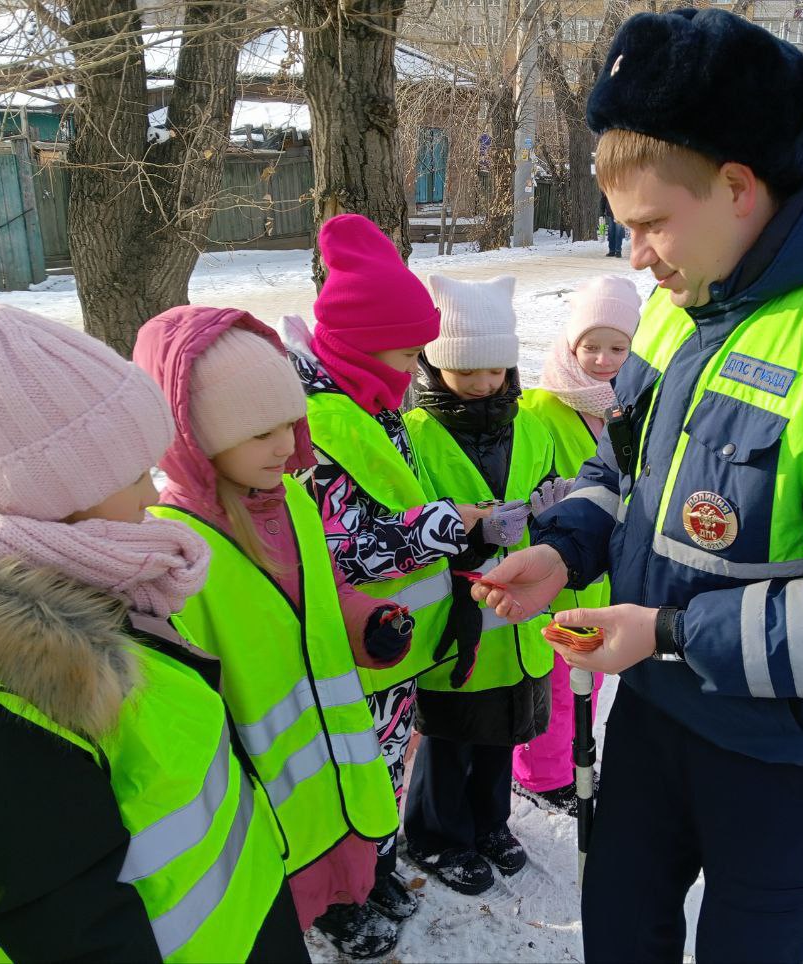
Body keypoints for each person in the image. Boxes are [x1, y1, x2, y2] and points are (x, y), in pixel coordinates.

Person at [472, 9, 803, 963]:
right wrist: (564, 549)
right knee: (620, 931)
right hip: (656, 714)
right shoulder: (682, 312)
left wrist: (667, 632)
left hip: (784, 755)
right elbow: (615, 473)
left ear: (740, 187)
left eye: (652, 224)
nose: (636, 256)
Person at [0, 305, 305, 962]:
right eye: (131, 475)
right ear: (54, 495)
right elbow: (74, 929)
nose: (151, 494)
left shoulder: (97, 582)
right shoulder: (12, 704)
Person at [134, 306, 410, 959]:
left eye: (290, 422)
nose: (286, 445)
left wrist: (367, 621)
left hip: (329, 750)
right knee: (288, 870)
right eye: (259, 433)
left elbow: (318, 591)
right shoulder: (178, 550)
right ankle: (319, 915)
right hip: (259, 774)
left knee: (337, 834)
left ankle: (351, 896)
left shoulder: (291, 501)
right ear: (193, 438)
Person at [288, 213, 499, 925]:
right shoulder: (317, 426)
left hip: (392, 647)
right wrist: (445, 525)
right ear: (362, 347)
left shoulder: (373, 407)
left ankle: (374, 867)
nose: (415, 374)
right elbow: (338, 551)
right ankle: (338, 897)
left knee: (384, 764)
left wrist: (446, 515)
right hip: (346, 653)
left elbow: (392, 502)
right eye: (407, 357)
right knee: (343, 772)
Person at [400, 275, 562, 894]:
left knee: (504, 728)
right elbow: (409, 522)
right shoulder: (416, 434)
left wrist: (554, 505)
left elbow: (552, 487)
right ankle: (437, 835)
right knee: (451, 735)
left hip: (519, 618)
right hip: (457, 620)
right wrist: (472, 531)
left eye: (495, 369)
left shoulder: (533, 424)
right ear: (435, 362)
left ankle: (490, 821)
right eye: (466, 370)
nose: (483, 383)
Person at [510, 275, 641, 816]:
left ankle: (572, 760)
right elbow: (522, 475)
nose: (603, 360)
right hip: (556, 572)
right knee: (558, 682)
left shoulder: (634, 405)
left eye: (618, 347)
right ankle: (541, 775)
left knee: (590, 680)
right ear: (570, 345)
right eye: (591, 346)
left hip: (608, 576)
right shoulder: (541, 407)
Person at [600, 192, 624, 257]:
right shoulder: (607, 186)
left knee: (618, 232)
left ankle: (618, 251)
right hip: (610, 213)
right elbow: (603, 199)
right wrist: (602, 212)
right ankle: (612, 251)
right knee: (611, 232)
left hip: (620, 213)